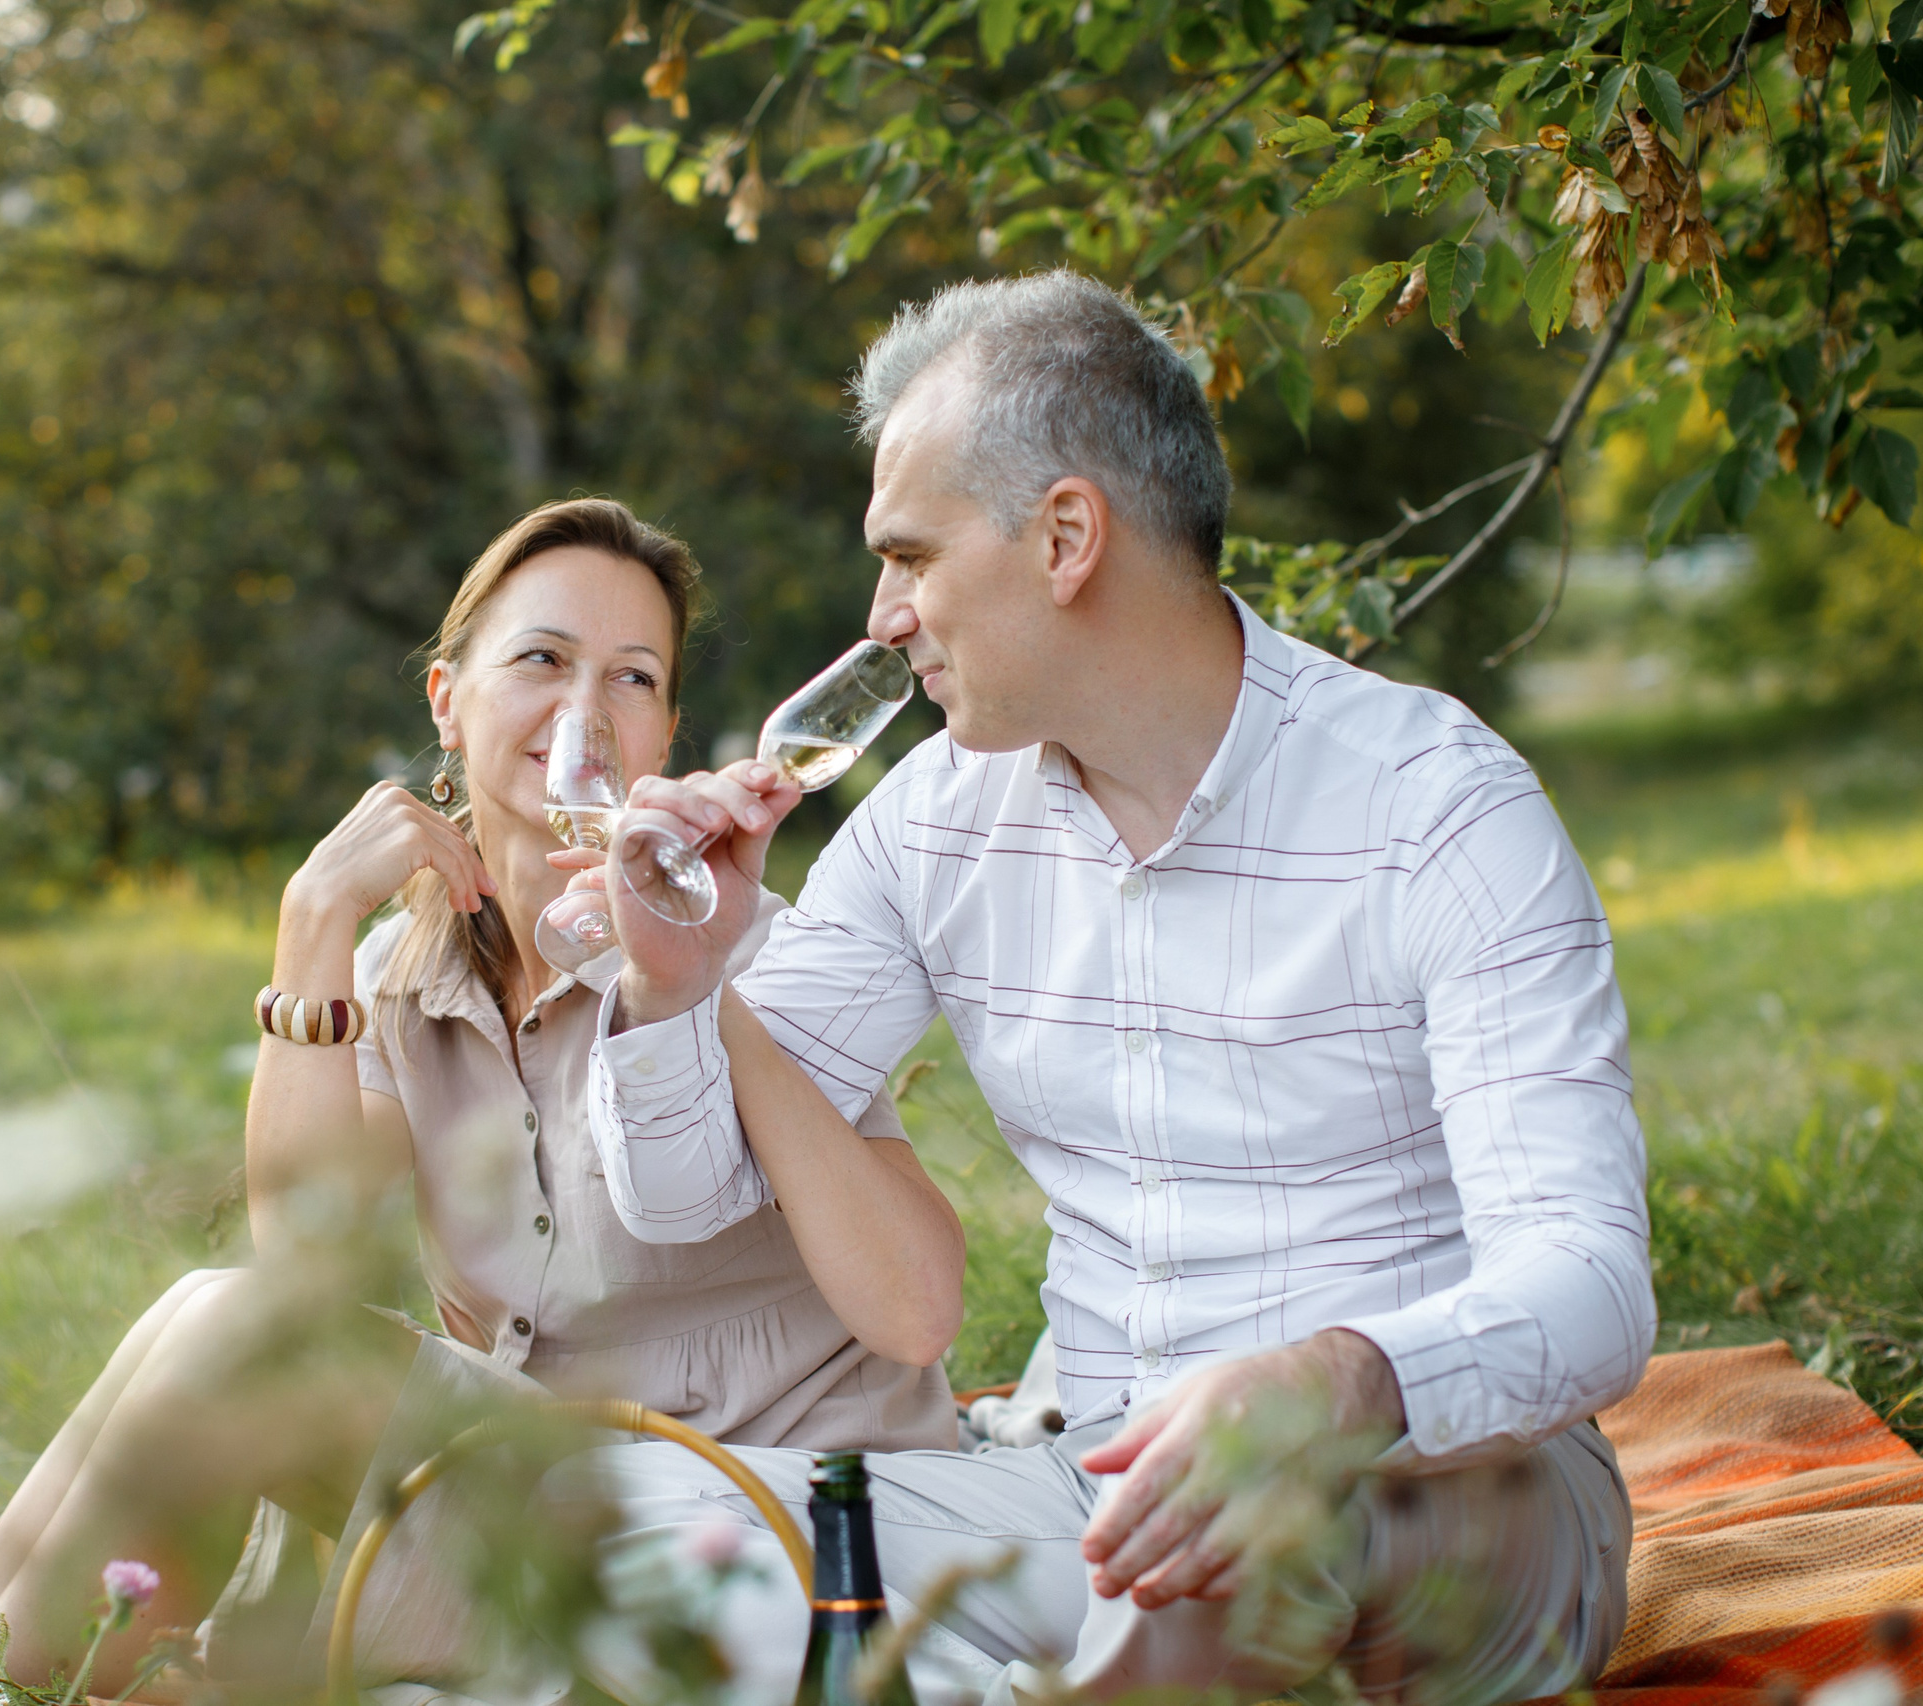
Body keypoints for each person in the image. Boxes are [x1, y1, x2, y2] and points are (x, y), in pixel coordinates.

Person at [569, 272, 1655, 1706]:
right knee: (619, 1519)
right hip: (1090, 1483)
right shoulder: (933, 821)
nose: (884, 616)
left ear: (1067, 536)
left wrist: (1333, 1377)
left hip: (1444, 1493)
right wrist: (680, 990)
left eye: (911, 557)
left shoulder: (1433, 807)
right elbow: (684, 1196)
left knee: (1254, 1513)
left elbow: (1590, 1285)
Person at [0, 498, 961, 1702]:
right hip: (533, 1503)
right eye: (541, 658)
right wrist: (313, 924)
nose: (584, 708)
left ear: (665, 732)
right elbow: (306, 1263)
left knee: (222, 1335)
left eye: (631, 677)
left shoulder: (741, 950)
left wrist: (694, 984)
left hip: (745, 1531)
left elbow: (919, 1310)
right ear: (445, 700)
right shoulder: (402, 980)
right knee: (203, 1358)